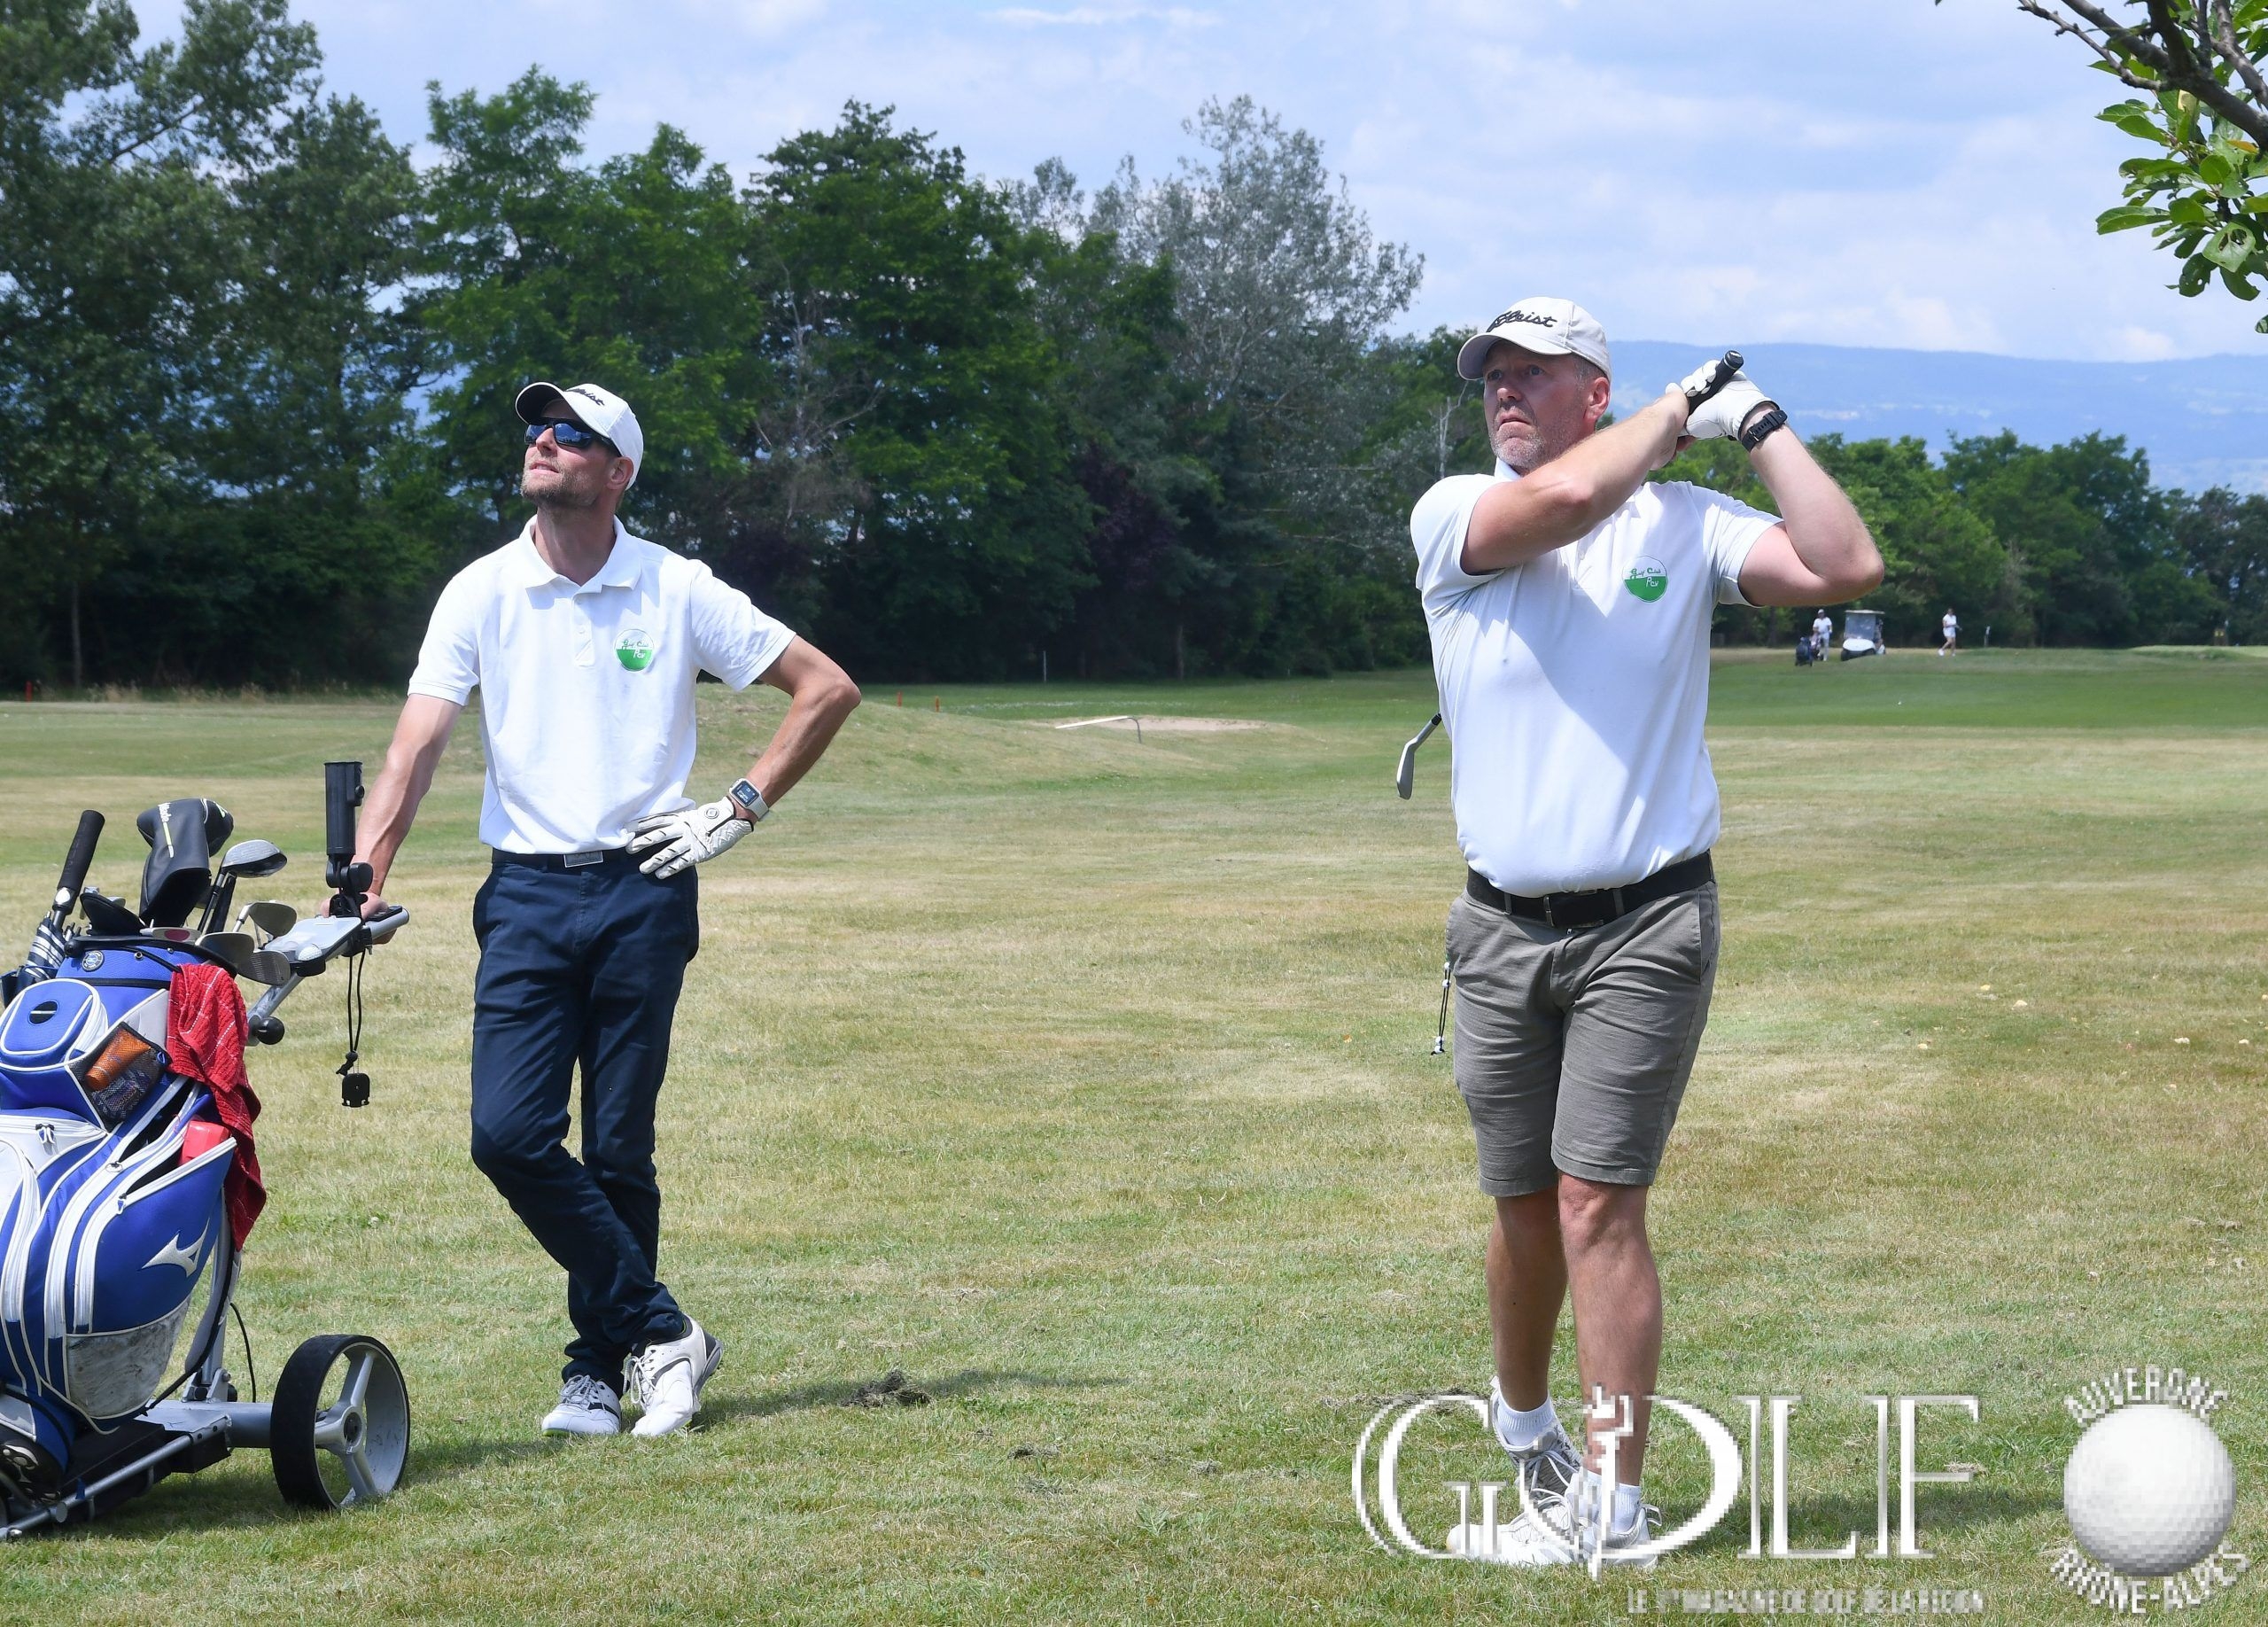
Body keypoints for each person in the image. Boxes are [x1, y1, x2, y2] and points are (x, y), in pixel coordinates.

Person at [1411, 299, 1880, 1566]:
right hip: (1498, 930)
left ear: (1594, 393)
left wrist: (1759, 425)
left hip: (1648, 922)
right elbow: (1564, 504)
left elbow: (1845, 567)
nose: (1506, 389)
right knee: (1521, 1205)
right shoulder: (1455, 512)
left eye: (1536, 372)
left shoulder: (1683, 519)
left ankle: (1609, 1509)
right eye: (1494, 373)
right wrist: (1682, 411)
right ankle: (1525, 1428)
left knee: (1595, 1204)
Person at [353, 381, 860, 1439]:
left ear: (618, 471)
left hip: (645, 885)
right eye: (536, 429)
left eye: (570, 434)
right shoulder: (481, 591)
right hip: (526, 893)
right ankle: (665, 1332)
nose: (542, 442)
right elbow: (417, 743)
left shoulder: (676, 587)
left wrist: (738, 807)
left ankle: (598, 1370)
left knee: (620, 1146)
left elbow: (826, 688)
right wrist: (369, 868)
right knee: (508, 1136)